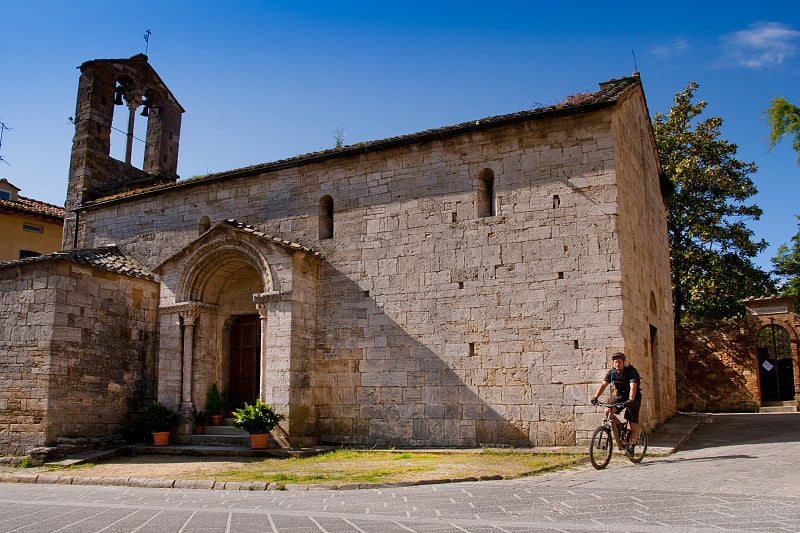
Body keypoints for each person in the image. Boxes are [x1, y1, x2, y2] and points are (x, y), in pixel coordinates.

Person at [590, 352, 642, 455]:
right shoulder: (612, 373)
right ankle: (619, 427)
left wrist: (630, 400)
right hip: (621, 396)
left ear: (623, 362)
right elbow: (604, 384)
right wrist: (595, 397)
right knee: (608, 411)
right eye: (615, 362)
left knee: (632, 422)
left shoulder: (630, 372)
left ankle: (632, 445)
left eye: (619, 362)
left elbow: (633, 387)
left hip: (633, 397)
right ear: (613, 363)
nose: (617, 364)